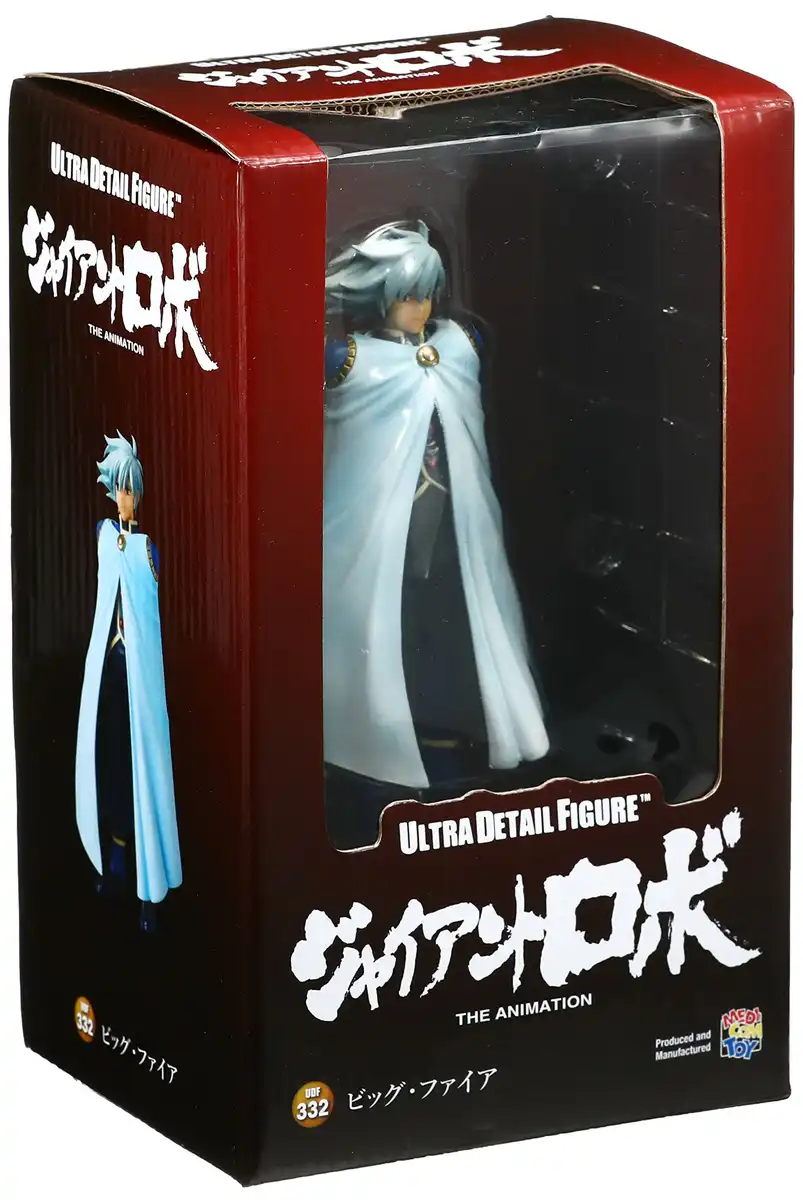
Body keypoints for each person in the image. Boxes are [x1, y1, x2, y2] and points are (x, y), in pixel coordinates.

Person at [323, 220, 549, 802]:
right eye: (407, 296)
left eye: (427, 295)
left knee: (454, 630)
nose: (419, 308)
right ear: (381, 298)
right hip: (382, 534)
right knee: (391, 630)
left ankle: (454, 741)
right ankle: (383, 743)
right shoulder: (352, 360)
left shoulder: (459, 346)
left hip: (454, 526)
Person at [75, 433, 181, 932]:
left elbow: (148, 622)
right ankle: (116, 868)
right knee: (115, 766)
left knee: (145, 773)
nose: (125, 497)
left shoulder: (148, 550)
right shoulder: (104, 535)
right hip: (111, 677)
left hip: (142, 681)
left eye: (131, 489)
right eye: (119, 488)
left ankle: (149, 892)